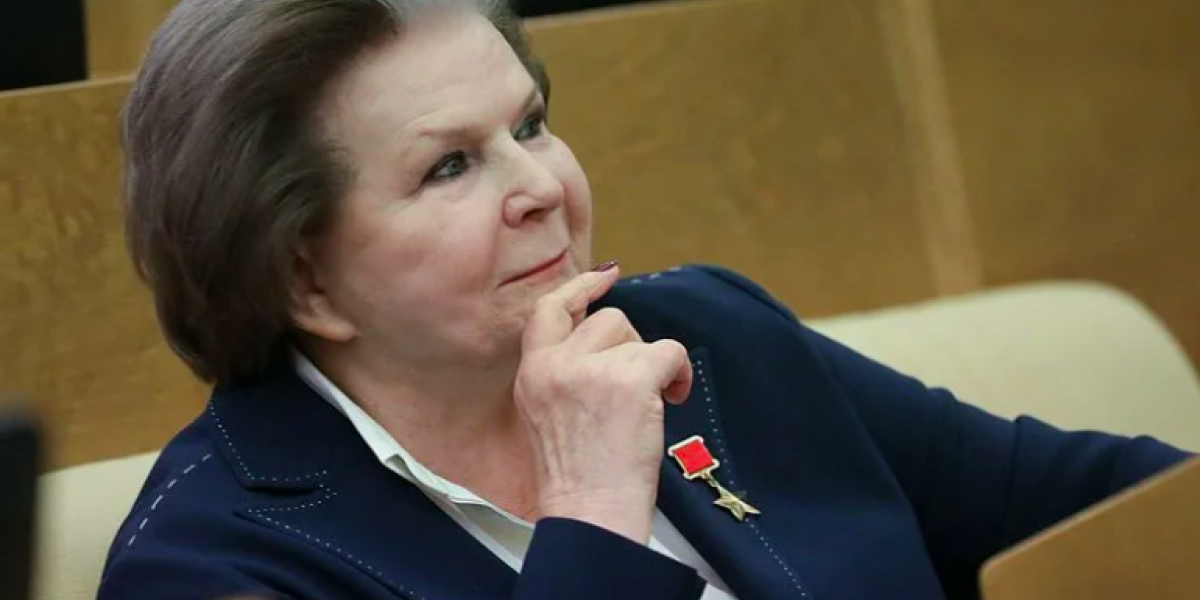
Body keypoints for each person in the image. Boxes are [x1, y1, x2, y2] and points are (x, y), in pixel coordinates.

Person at [97, 0, 1191, 599]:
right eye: (449, 166)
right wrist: (589, 508)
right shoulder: (209, 566)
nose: (541, 187)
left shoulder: (705, 336)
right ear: (306, 278)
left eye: (529, 126)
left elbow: (1110, 505)